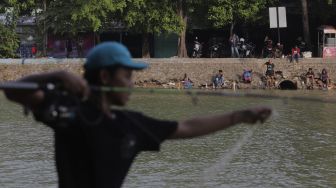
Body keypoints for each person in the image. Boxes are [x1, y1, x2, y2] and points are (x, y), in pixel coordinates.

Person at [4, 42, 272, 188]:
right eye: (127, 76)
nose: (132, 83)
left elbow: (187, 127)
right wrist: (58, 74)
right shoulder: (69, 111)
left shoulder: (130, 125)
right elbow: (13, 91)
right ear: (106, 77)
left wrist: (239, 116)